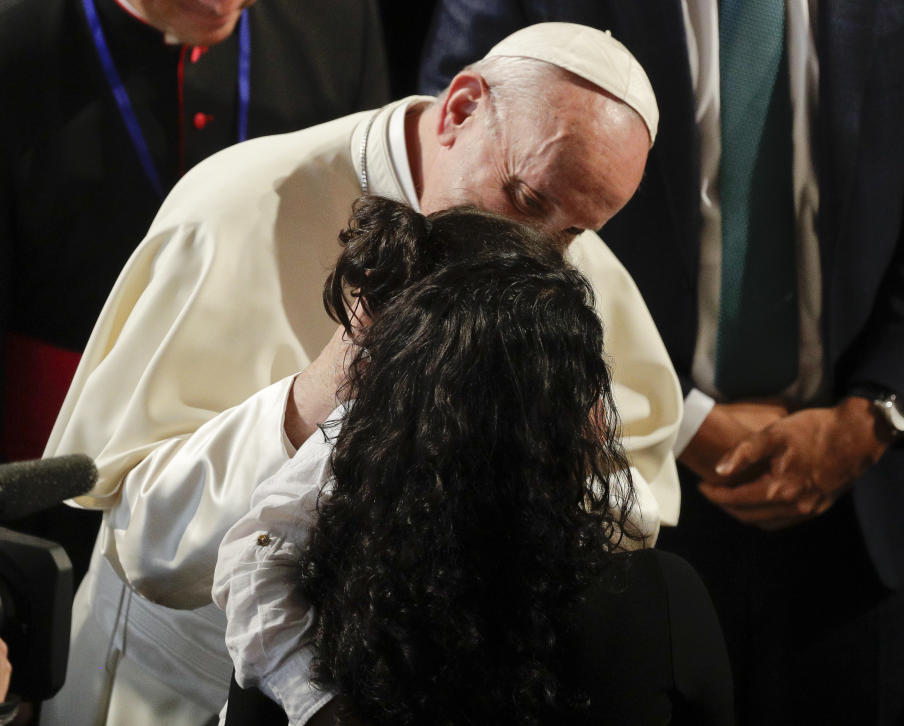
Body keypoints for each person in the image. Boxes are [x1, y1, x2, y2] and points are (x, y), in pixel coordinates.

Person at [42, 23, 683, 726]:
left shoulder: (565, 266)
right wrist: (326, 385)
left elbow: (627, 503)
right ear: (461, 108)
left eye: (575, 231)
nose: (538, 249)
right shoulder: (241, 204)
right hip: (182, 686)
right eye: (527, 201)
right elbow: (151, 537)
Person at [419, 2, 904, 724]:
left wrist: (875, 412)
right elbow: (454, 191)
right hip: (603, 491)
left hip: (857, 510)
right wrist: (680, 419)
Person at [213, 196, 733, 726]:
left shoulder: (307, 612)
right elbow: (253, 558)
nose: (603, 417)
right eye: (577, 384)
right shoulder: (652, 612)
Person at [0, 0, 390, 600]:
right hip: (50, 467)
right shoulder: (16, 34)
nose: (220, 5)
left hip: (260, 470)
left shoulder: (337, 21)